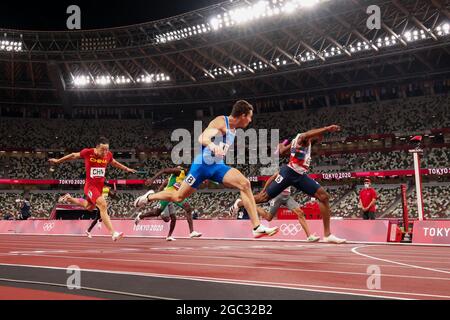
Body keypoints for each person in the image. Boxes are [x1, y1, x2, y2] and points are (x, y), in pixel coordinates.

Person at [134, 100, 278, 238]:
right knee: (178, 196)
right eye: (250, 117)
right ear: (243, 115)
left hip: (217, 166)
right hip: (201, 166)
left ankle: (256, 227)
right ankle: (149, 197)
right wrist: (212, 146)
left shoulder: (234, 129)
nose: (250, 121)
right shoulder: (221, 122)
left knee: (245, 183)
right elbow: (202, 137)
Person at [231, 126, 346, 243]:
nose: (321, 138)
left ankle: (327, 235)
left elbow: (282, 151)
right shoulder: (303, 138)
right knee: (263, 198)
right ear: (313, 135)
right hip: (289, 173)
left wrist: (282, 147)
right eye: (319, 136)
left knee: (324, 197)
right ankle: (240, 202)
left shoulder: (299, 142)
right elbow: (306, 135)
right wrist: (327, 128)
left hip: (300, 175)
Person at [49, 136, 136, 241]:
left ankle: (69, 198)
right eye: (103, 149)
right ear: (97, 147)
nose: (105, 152)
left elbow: (114, 162)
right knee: (103, 204)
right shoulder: (88, 152)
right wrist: (58, 161)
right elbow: (73, 155)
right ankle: (113, 233)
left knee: (89, 207)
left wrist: (126, 169)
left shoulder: (108, 155)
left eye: (107, 149)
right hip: (90, 186)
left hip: (99, 187)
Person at [246, 171, 320, 242]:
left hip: (287, 197)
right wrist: (264, 190)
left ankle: (309, 236)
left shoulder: (293, 174)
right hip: (277, 196)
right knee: (268, 218)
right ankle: (252, 205)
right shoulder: (280, 172)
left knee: (300, 213)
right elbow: (271, 179)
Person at [134, 166, 202, 241]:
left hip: (176, 195)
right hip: (167, 194)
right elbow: (164, 170)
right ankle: (141, 215)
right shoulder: (179, 171)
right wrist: (152, 179)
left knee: (187, 208)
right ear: (187, 169)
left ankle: (191, 232)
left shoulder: (187, 178)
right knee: (157, 213)